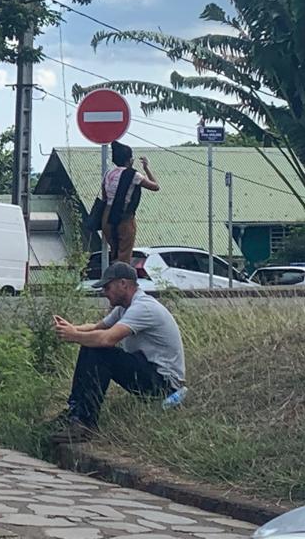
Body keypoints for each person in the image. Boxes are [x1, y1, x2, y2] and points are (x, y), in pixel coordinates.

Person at [51, 261, 186, 442]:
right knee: (91, 345)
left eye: (107, 287)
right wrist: (71, 328)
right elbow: (97, 328)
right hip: (149, 371)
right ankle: (75, 412)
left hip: (164, 385)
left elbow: (107, 339)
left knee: (100, 352)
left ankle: (85, 423)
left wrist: (74, 335)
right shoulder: (124, 308)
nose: (104, 292)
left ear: (123, 284)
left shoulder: (143, 307)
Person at [100, 141, 159, 264]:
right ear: (129, 160)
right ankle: (122, 276)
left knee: (115, 252)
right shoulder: (134, 175)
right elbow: (155, 186)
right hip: (124, 216)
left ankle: (112, 274)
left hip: (107, 217)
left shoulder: (108, 174)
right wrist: (146, 168)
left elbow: (104, 196)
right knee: (124, 256)